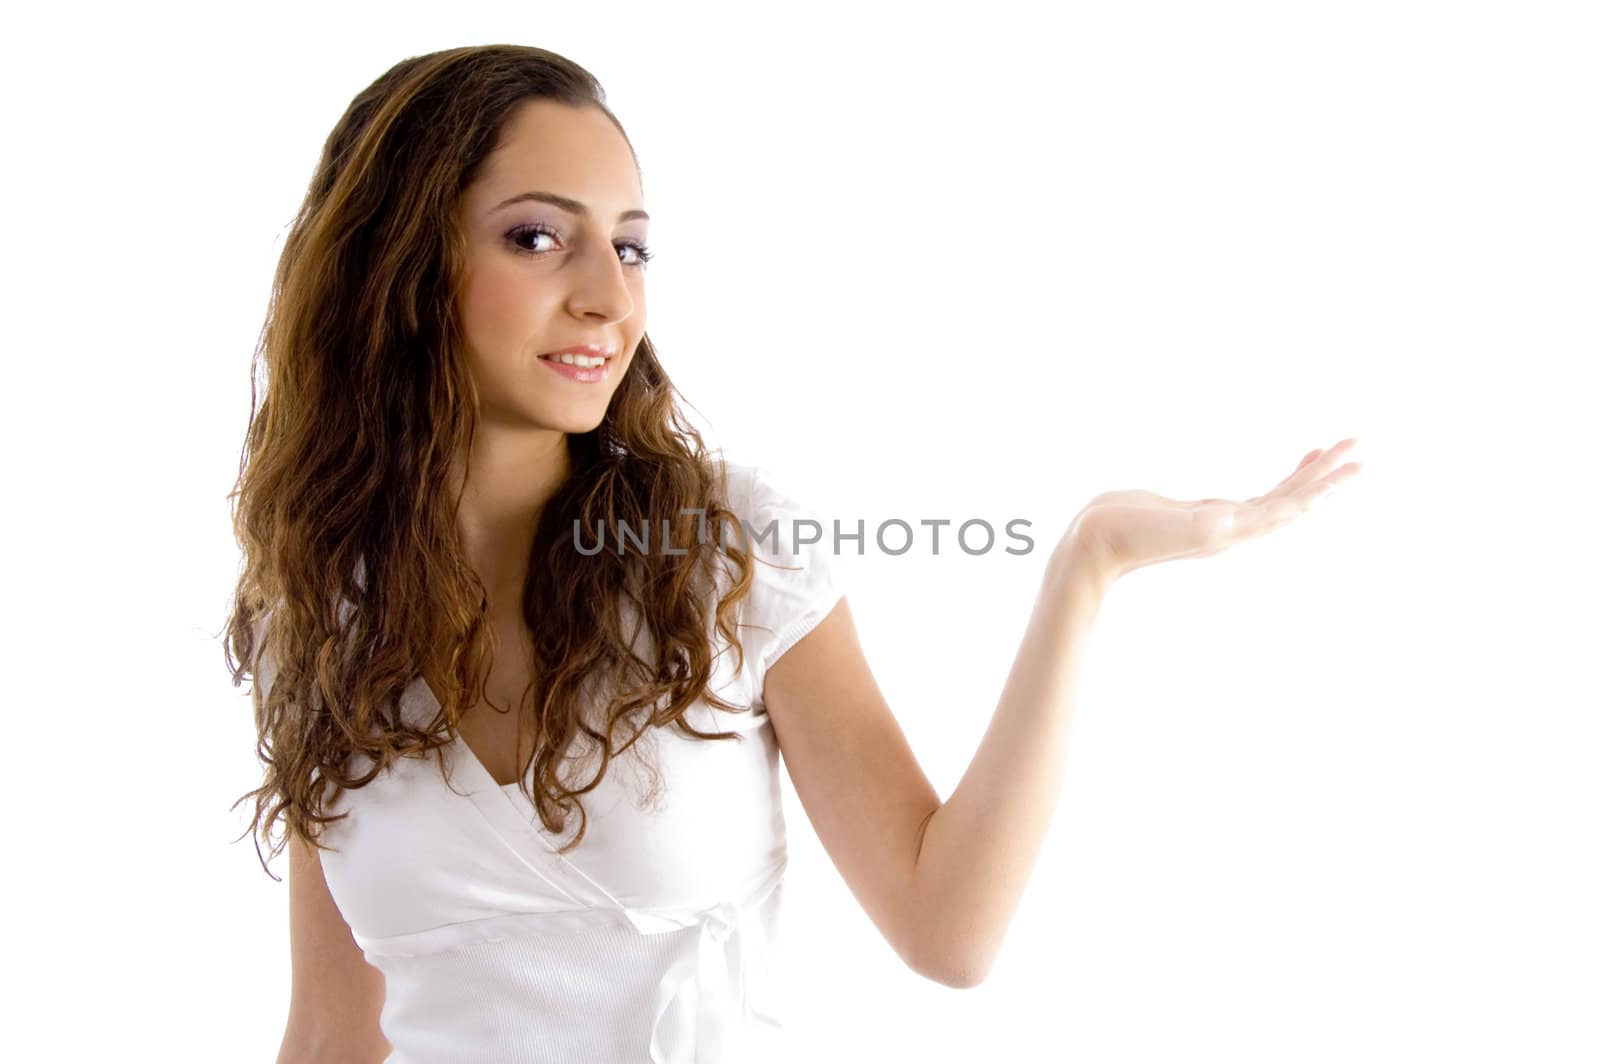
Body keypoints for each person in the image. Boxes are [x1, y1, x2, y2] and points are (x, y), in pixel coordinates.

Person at [224, 44, 1363, 1064]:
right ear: (399, 266)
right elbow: (330, 1035)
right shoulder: (318, 624)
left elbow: (946, 929)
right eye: (538, 236)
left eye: (631, 247)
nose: (608, 298)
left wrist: (1089, 561)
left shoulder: (723, 553)